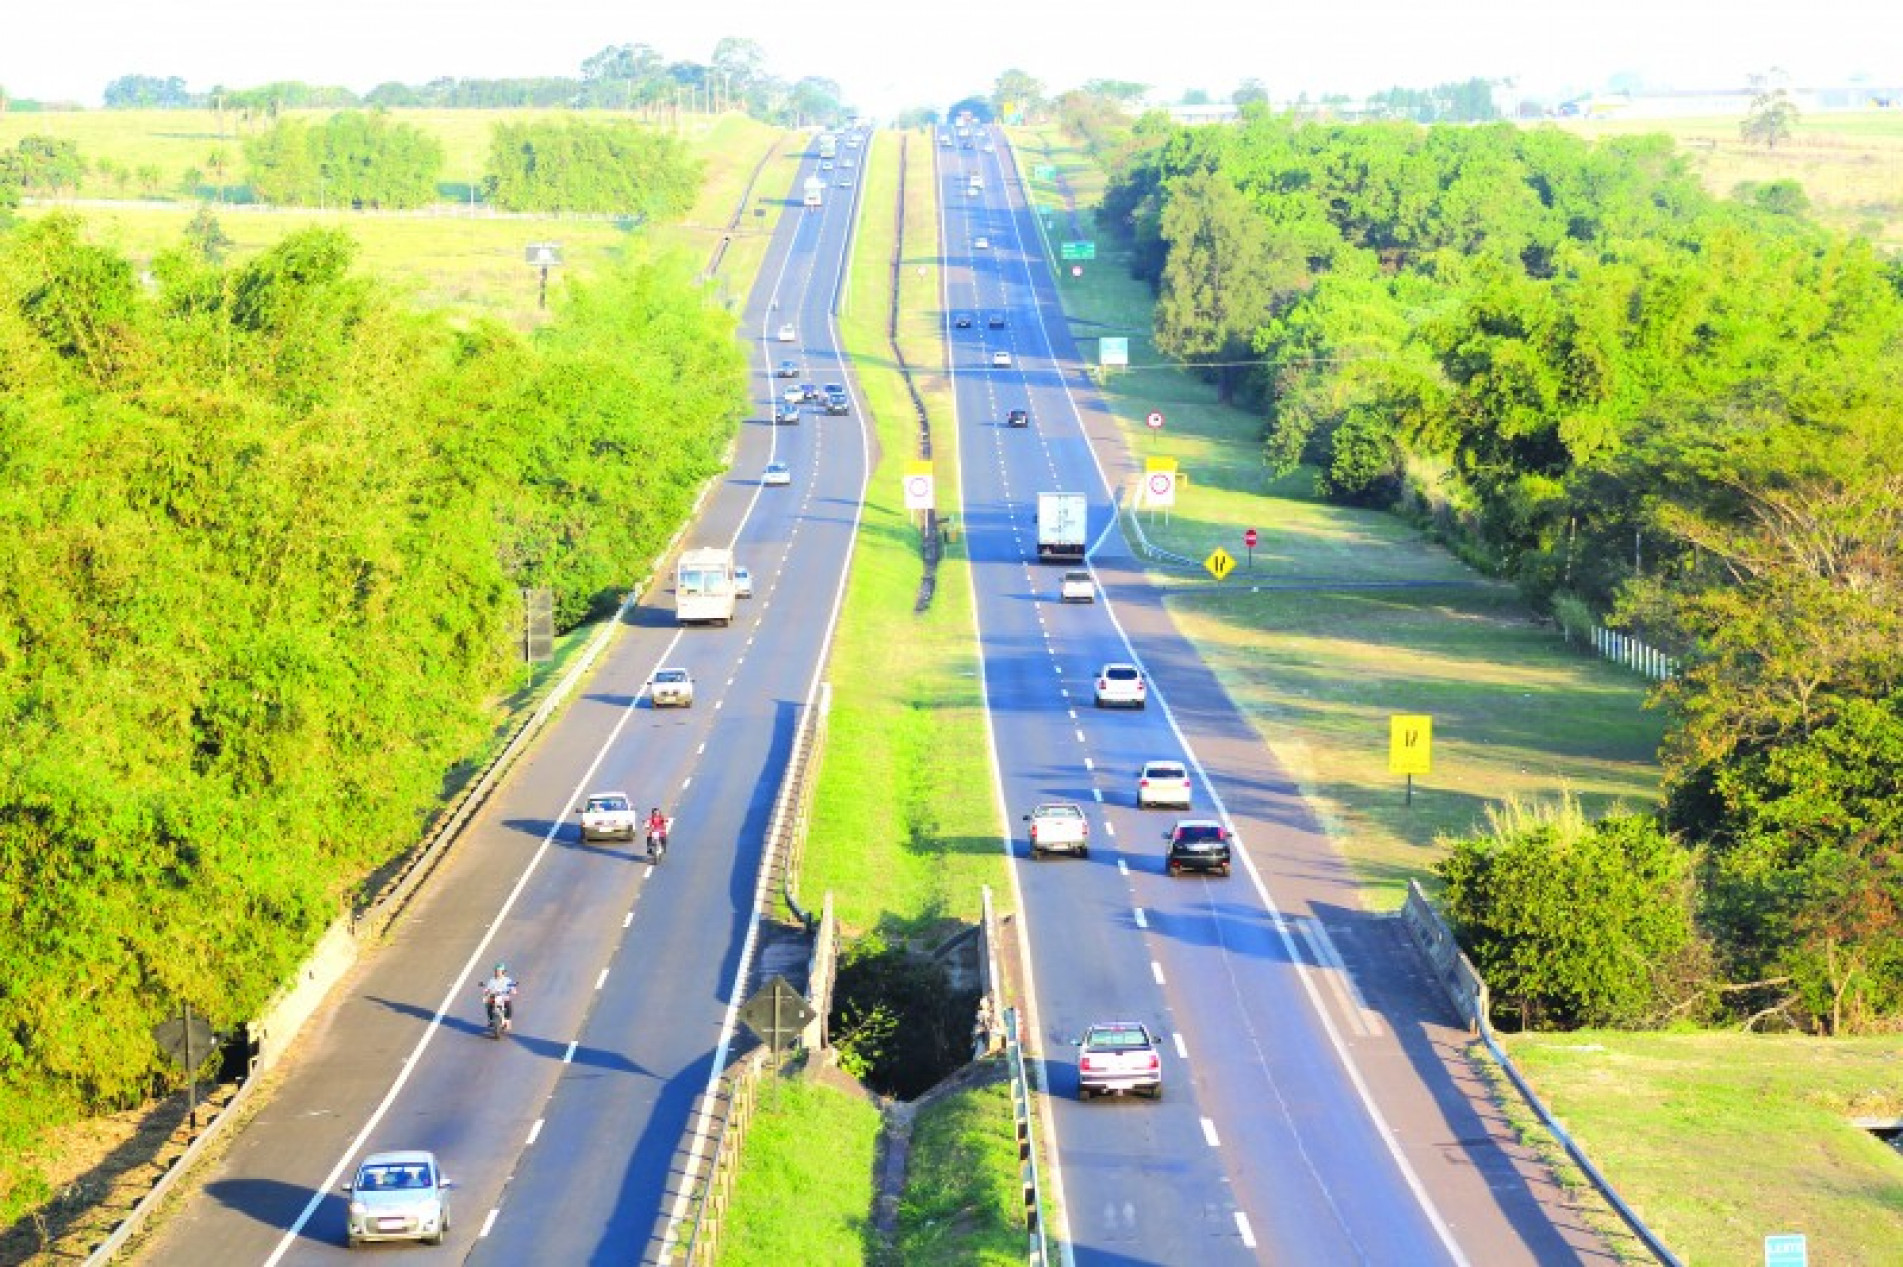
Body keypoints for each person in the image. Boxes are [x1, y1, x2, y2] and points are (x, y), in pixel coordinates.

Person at [480, 962, 517, 1027]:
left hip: (503, 997)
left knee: (508, 1004)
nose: (497, 973)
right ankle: (491, 1019)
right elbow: (487, 988)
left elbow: (512, 988)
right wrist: (486, 991)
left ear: (503, 972)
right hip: (494, 996)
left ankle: (508, 1020)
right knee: (488, 1004)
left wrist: (512, 990)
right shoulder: (492, 980)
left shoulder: (507, 980)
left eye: (499, 971)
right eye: (496, 971)